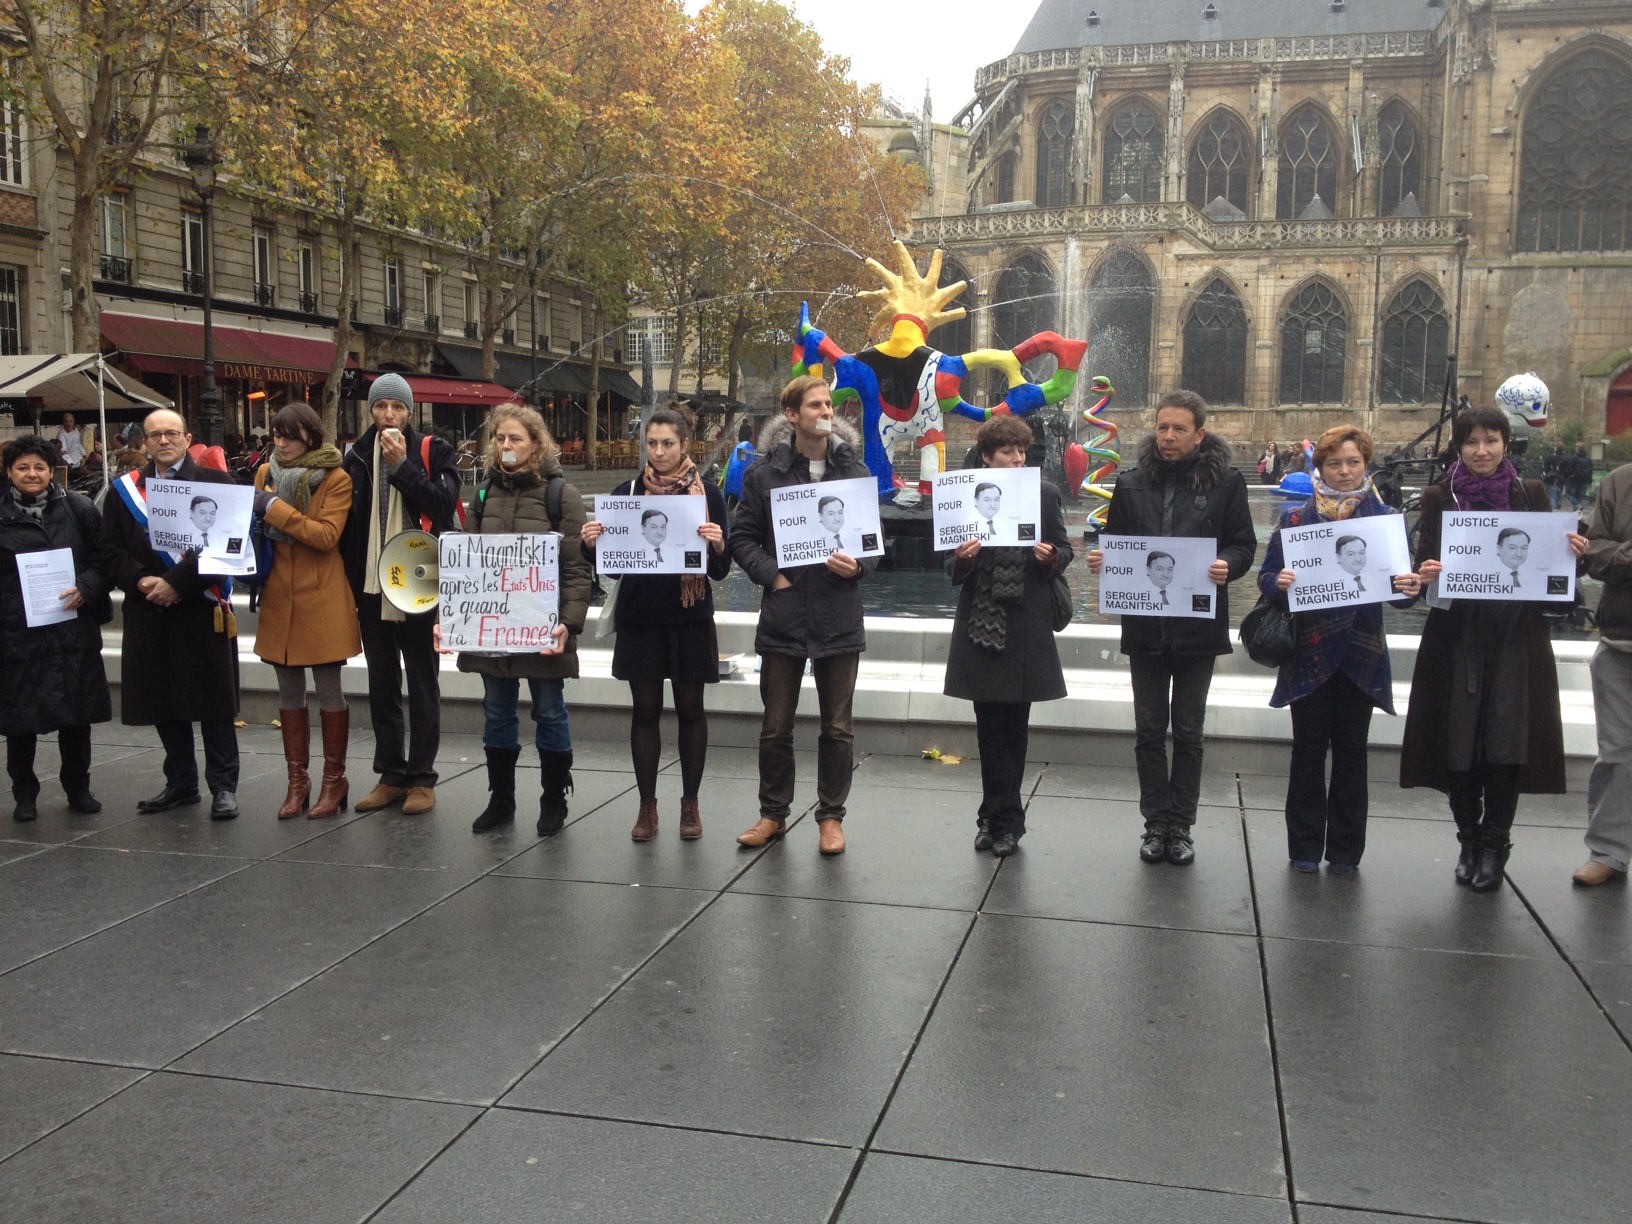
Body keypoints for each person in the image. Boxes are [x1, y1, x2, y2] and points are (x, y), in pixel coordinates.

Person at [1402, 407, 1587, 891]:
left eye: (1490, 440)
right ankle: (1467, 838)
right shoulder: (1440, 497)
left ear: (1506, 443)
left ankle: (1495, 842)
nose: (1481, 451)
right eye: (1471, 442)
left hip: (1514, 637)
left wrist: (1573, 556)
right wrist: (1426, 573)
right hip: (1457, 635)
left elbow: (1551, 573)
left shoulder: (1530, 494)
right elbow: (1422, 567)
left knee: (1507, 743)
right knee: (1457, 742)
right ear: (1458, 447)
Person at [1087, 389, 1255, 866]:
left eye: (1179, 428)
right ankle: (1154, 824)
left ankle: (1181, 825)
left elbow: (1243, 545)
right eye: (1162, 427)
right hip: (1145, 627)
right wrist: (1103, 559)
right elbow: (1117, 543)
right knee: (1148, 729)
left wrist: (1228, 565)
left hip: (1198, 628)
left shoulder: (1227, 483)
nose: (1168, 436)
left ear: (1200, 434)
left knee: (1188, 731)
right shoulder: (1131, 482)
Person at [1260, 425, 1421, 873]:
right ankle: (1304, 849)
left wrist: (1410, 587)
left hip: (1359, 652)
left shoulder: (1385, 519)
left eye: (1353, 462)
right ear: (1321, 467)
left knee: (1352, 753)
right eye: (1335, 463)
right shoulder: (1295, 520)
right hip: (1308, 652)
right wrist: (1278, 583)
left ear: (1365, 464)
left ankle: (1347, 851)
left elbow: (1402, 594)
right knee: (1307, 752)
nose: (1345, 471)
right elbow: (1267, 577)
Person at [730, 375, 878, 856]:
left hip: (839, 615)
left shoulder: (854, 472)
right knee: (775, 726)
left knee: (837, 727)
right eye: (815, 405)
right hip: (784, 615)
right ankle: (772, 814)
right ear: (792, 415)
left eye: (828, 404)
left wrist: (860, 566)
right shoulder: (763, 475)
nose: (826, 411)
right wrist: (771, 575)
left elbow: (873, 544)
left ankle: (831, 817)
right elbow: (741, 539)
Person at [581, 403, 733, 841]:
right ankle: (647, 807)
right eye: (652, 443)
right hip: (642, 618)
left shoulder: (708, 495)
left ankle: (690, 805)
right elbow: (610, 568)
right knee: (644, 711)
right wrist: (590, 545)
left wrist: (718, 545)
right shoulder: (627, 493)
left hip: (689, 618)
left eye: (668, 443)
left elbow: (720, 570)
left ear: (685, 445)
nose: (659, 452)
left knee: (691, 710)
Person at [459, 404, 592, 836]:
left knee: (550, 712)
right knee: (497, 712)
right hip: (493, 631)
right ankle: (501, 798)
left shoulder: (561, 496)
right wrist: (454, 618)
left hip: (543, 630)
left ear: (536, 443)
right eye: (500, 438)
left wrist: (569, 623)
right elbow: (467, 567)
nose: (506, 445)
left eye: (515, 438)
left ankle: (553, 799)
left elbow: (577, 570)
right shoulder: (482, 494)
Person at [102, 409, 242, 819]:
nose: (163, 441)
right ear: (144, 443)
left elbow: (227, 545)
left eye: (171, 433)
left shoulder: (217, 483)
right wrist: (142, 580)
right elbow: (110, 551)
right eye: (155, 435)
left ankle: (223, 787)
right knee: (163, 699)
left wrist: (177, 583)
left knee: (214, 703)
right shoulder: (125, 491)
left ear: (187, 438)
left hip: (200, 605)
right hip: (149, 607)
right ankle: (181, 783)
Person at [944, 417, 1072, 857]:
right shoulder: (963, 496)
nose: (1018, 459)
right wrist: (962, 559)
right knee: (989, 729)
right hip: (982, 622)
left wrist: (1052, 556)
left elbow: (1064, 548)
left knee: (1015, 728)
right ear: (987, 456)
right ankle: (995, 817)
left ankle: (1004, 820)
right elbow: (949, 565)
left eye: (1022, 451)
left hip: (1026, 623)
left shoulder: (1045, 494)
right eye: (1007, 452)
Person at [339, 374, 462, 816]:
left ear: (410, 411)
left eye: (397, 407)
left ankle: (422, 778)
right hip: (372, 581)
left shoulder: (434, 450)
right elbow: (348, 525)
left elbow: (443, 504)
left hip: (420, 580)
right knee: (382, 679)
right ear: (371, 410)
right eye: (380, 406)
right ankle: (391, 774)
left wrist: (403, 467)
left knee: (423, 680)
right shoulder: (355, 455)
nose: (388, 415)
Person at [251, 403, 360, 820]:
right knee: (288, 691)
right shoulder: (266, 473)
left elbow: (326, 536)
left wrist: (273, 508)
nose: (281, 444)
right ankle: (297, 781)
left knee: (329, 689)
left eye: (290, 437)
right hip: (280, 593)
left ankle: (334, 780)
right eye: (277, 436)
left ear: (311, 438)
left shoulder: (336, 477)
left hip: (322, 594)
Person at [0, 436, 112, 821]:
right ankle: (24, 794)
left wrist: (87, 588)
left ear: (52, 471)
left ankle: (78, 788)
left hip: (72, 630)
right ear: (9, 472)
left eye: (39, 467)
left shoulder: (79, 508)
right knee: (20, 720)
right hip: (18, 634)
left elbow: (105, 559)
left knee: (77, 717)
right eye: (23, 468)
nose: (32, 474)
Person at [1578, 453, 1632, 886]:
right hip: (1621, 641)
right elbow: (1594, 555)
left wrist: (1621, 555)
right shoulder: (1619, 481)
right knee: (1616, 753)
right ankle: (1609, 850)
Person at [1564, 441, 1594, 513]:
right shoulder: (1588, 458)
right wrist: (1590, 481)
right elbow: (1591, 470)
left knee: (1567, 493)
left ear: (1577, 448)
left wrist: (1567, 477)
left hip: (1575, 479)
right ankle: (1578, 510)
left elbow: (1570, 469)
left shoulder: (1574, 458)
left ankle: (1577, 504)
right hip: (1584, 479)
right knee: (1579, 494)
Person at [1543, 443, 1567, 509]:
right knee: (1559, 495)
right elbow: (1568, 469)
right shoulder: (1565, 458)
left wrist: (1547, 474)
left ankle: (1555, 509)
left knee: (1553, 495)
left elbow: (1546, 467)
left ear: (1556, 448)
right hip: (1561, 479)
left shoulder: (1550, 457)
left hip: (1552, 478)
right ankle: (1558, 506)